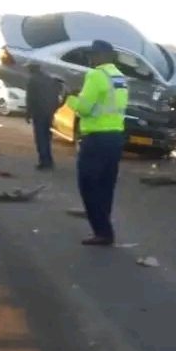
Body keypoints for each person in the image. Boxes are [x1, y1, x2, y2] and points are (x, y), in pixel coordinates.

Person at [66, 40, 128, 246]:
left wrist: (70, 98)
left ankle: (101, 231)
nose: (91, 59)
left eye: (93, 55)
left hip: (96, 138)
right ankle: (104, 227)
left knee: (88, 185)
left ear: (101, 56)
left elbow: (84, 108)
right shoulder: (119, 77)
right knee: (106, 185)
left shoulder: (95, 75)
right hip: (115, 137)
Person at [26, 63, 61, 169]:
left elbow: (30, 98)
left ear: (31, 69)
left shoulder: (32, 80)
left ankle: (44, 162)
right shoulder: (49, 78)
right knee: (47, 137)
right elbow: (56, 94)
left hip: (39, 112)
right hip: (49, 112)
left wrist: (28, 113)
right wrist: (54, 109)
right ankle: (49, 160)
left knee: (40, 138)